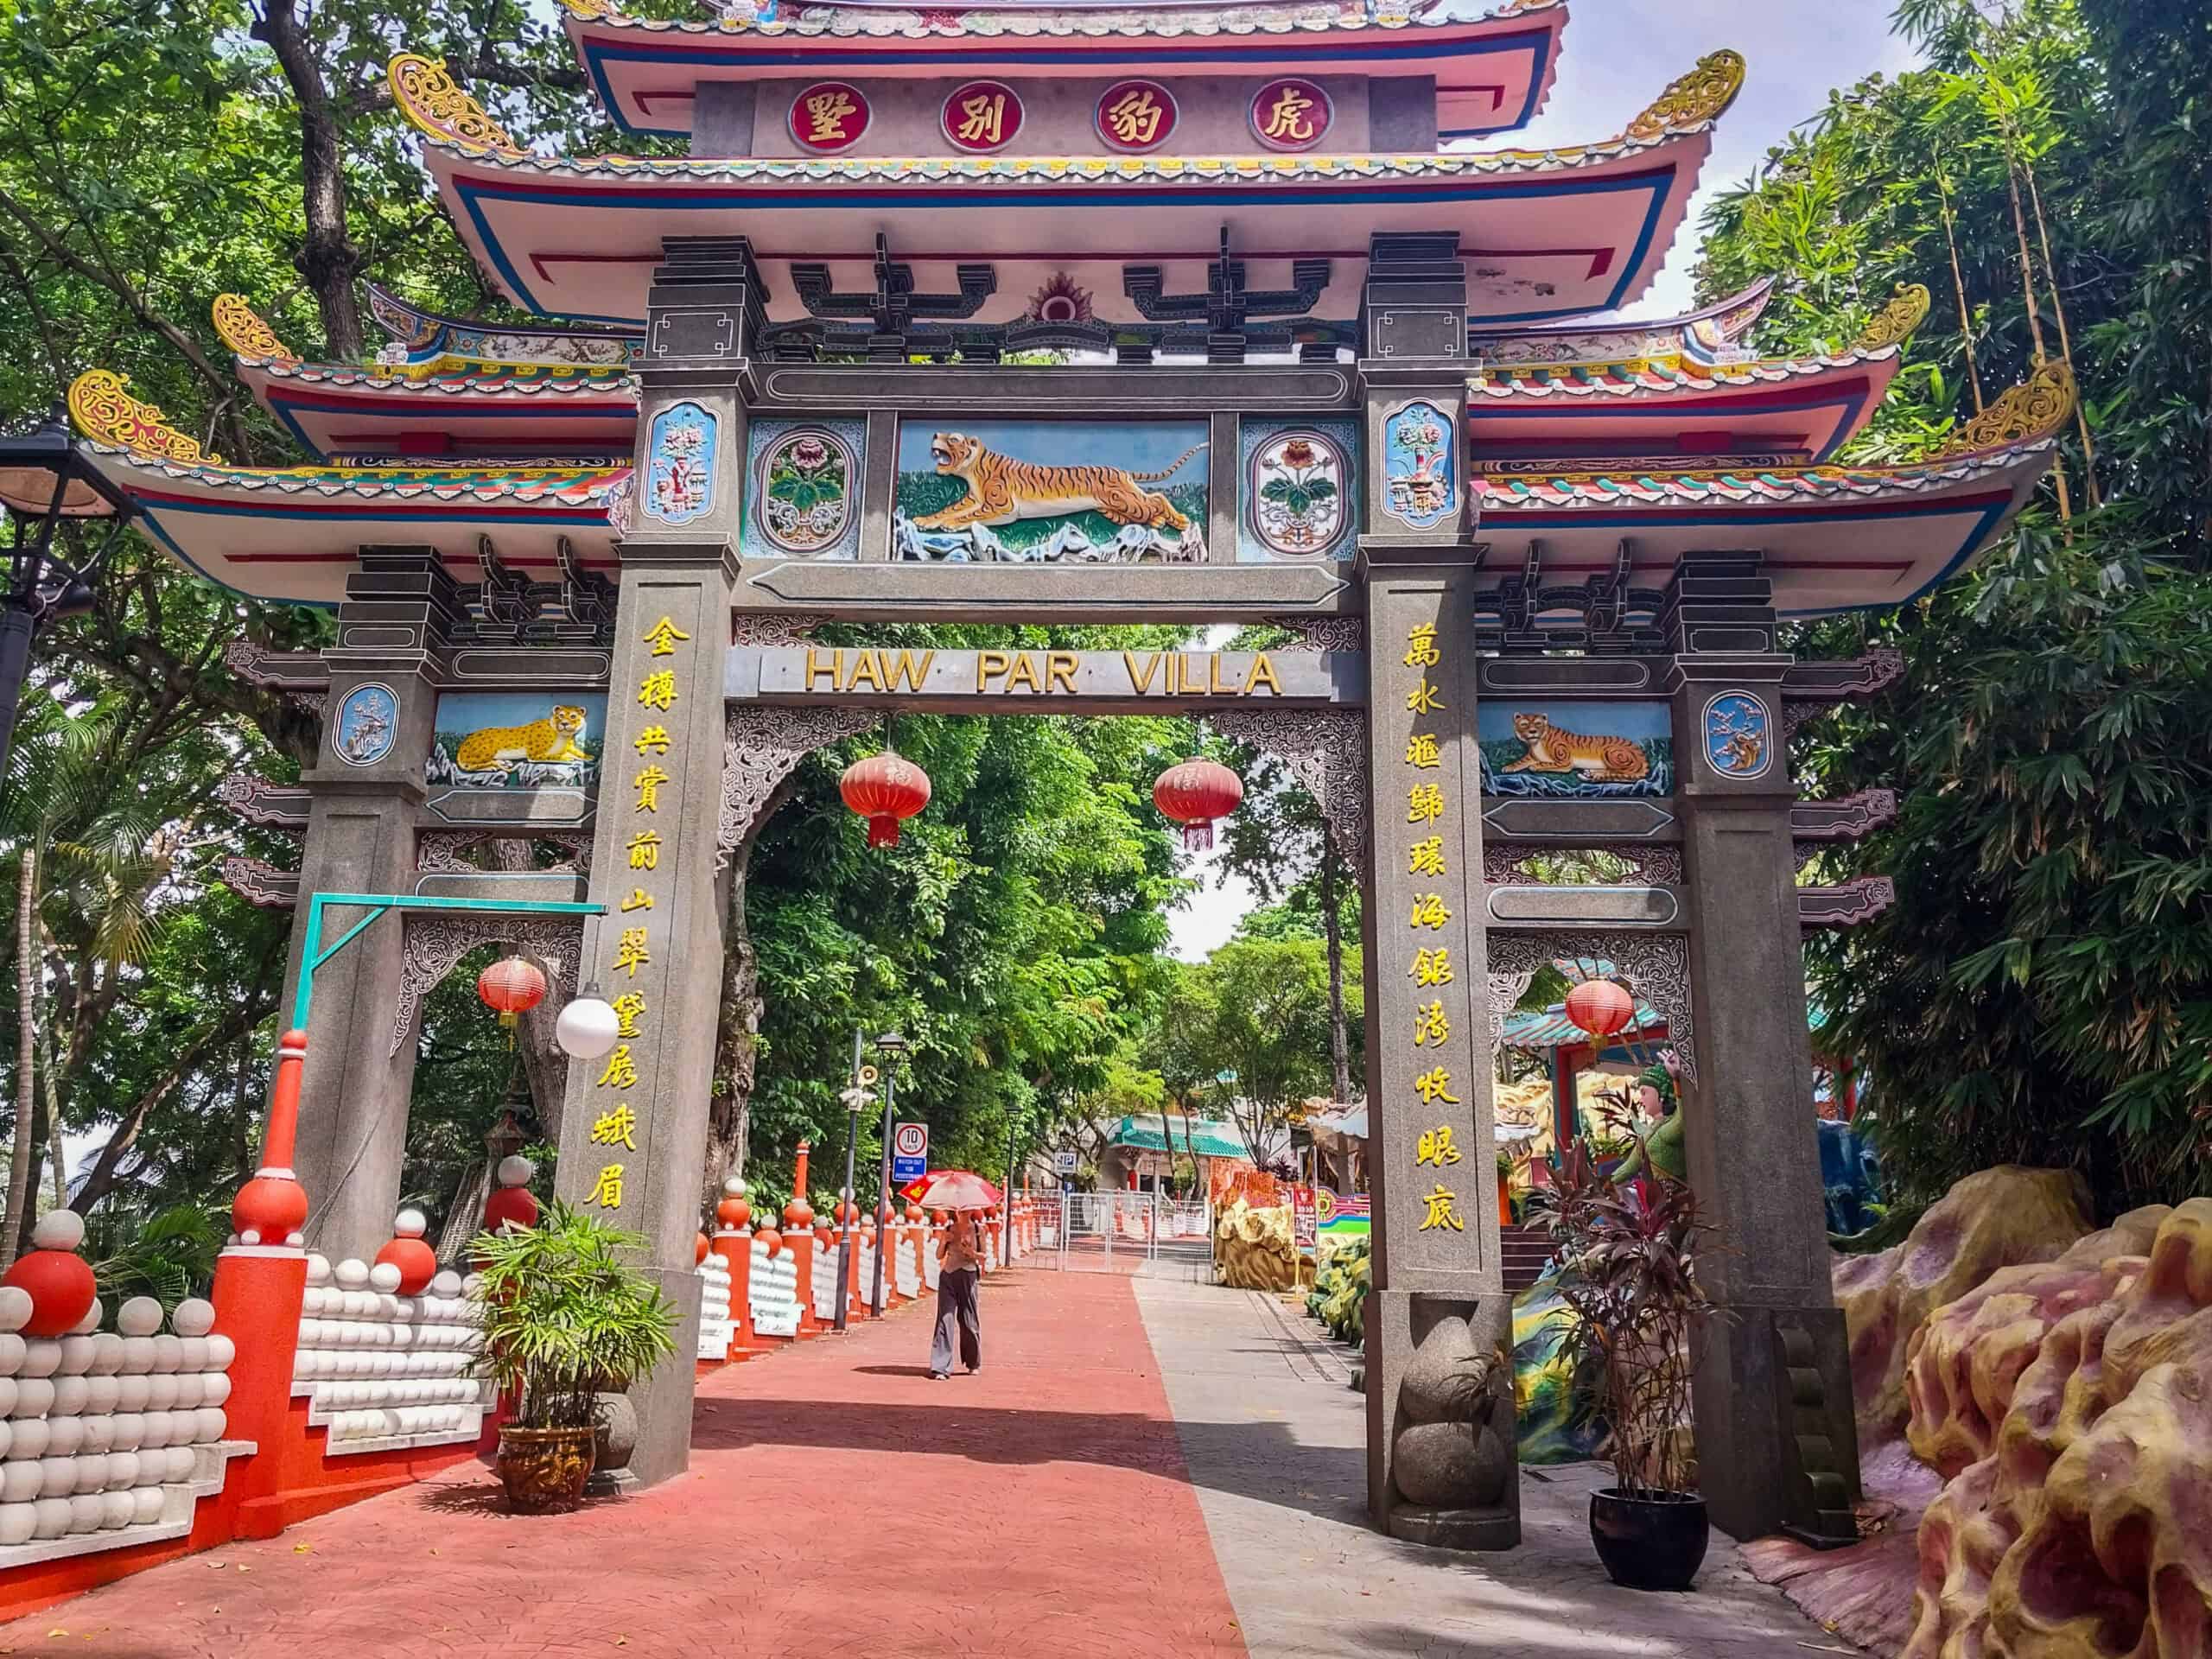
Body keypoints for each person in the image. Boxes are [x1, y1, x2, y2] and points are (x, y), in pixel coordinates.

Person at [930, 1207, 983, 1380]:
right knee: (945, 1319)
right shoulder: (948, 1229)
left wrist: (971, 1253)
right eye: (960, 1211)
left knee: (969, 1322)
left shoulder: (977, 1230)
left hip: (968, 1276)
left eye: (967, 1210)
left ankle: (973, 1361)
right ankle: (941, 1367)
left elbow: (984, 1256)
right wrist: (944, 1241)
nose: (963, 1213)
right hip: (948, 1276)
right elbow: (939, 1256)